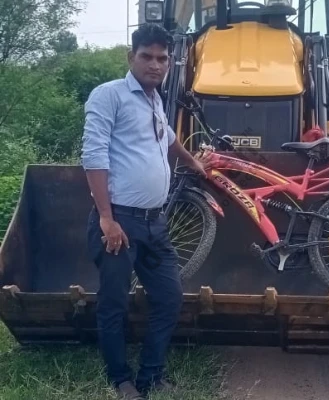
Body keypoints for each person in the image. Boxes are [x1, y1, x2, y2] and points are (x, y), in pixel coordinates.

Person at [81, 23, 210, 400]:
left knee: (169, 297)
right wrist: (106, 218)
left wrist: (192, 161)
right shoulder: (110, 95)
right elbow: (93, 155)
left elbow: (166, 136)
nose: (155, 64)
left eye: (162, 58)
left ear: (169, 62)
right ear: (131, 57)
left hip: (155, 223)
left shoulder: (155, 99)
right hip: (119, 222)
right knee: (114, 303)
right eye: (147, 57)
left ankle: (151, 375)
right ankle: (121, 379)